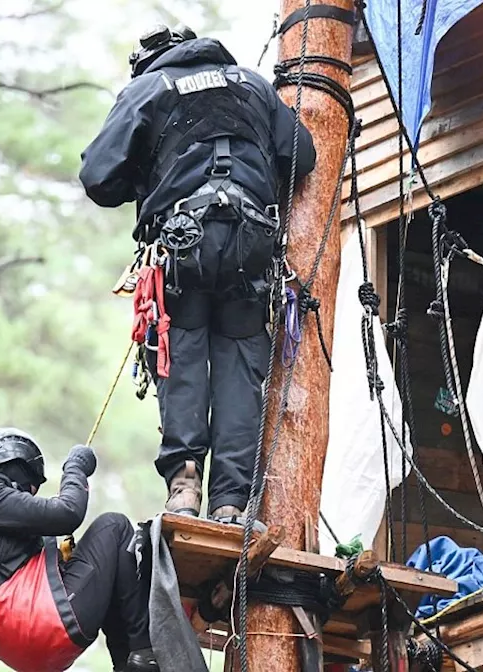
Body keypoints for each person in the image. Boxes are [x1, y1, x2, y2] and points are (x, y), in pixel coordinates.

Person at [79, 24, 317, 524]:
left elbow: (98, 177)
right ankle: (232, 502)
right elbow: (304, 156)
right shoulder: (252, 85)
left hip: (183, 244)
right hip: (251, 247)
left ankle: (185, 487)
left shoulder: (148, 88)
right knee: (238, 367)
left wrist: (148, 173)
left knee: (180, 354)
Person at [0, 428, 157, 672]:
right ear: (16, 469)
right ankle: (142, 651)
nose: (30, 494)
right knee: (114, 526)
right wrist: (76, 468)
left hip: (19, 646)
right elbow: (67, 512)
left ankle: (128, 665)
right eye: (31, 487)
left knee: (110, 566)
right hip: (41, 625)